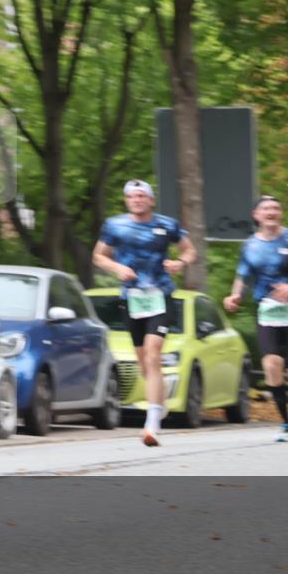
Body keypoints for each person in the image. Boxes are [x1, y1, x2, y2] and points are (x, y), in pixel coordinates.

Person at [93, 179, 196, 447]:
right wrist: (117, 268)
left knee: (153, 353)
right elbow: (99, 256)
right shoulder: (115, 225)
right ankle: (159, 402)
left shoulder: (167, 225)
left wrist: (179, 263)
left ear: (151, 200)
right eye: (132, 196)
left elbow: (189, 250)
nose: (137, 200)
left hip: (160, 296)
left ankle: (152, 425)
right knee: (143, 364)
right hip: (132, 298)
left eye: (142, 196)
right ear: (127, 201)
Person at [223, 196, 288, 442]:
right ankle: (286, 424)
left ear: (280, 214)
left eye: (276, 208)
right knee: (271, 364)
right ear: (256, 215)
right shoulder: (249, 246)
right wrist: (235, 295)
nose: (271, 211)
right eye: (266, 208)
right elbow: (242, 275)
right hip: (267, 311)